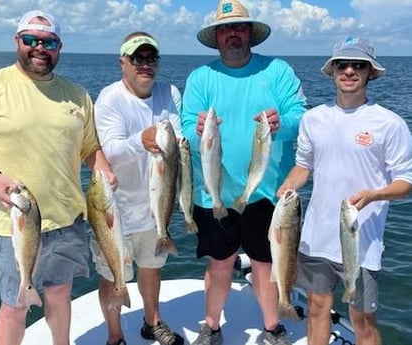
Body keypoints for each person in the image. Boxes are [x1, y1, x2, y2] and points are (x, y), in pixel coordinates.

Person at [0, 10, 116, 345]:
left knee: (59, 294)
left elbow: (90, 149)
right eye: (31, 40)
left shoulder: (77, 95)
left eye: (48, 41)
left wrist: (104, 169)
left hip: (68, 218)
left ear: (59, 47)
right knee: (15, 305)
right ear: (17, 42)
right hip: (16, 222)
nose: (40, 47)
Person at [181, 1, 307, 344]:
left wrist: (285, 121)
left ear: (250, 33)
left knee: (265, 265)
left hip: (269, 193)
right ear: (216, 37)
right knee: (220, 264)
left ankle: (272, 327)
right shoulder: (200, 78)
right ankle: (212, 325)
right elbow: (187, 127)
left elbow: (300, 115)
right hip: (214, 193)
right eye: (225, 29)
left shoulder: (278, 71)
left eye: (239, 28)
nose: (233, 34)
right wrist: (199, 129)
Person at [277, 36, 412, 345]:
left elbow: (406, 183)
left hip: (361, 240)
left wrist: (375, 195)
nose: (349, 71)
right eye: (342, 64)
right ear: (332, 70)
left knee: (362, 322)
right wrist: (288, 184)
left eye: (358, 65)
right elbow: (303, 167)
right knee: (315, 309)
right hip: (315, 237)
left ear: (370, 73)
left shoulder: (389, 123)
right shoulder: (313, 119)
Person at [91, 31, 184, 345]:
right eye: (137, 58)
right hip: (117, 211)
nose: (145, 64)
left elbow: (177, 137)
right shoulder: (109, 98)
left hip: (157, 208)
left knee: (151, 267)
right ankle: (115, 335)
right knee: (112, 275)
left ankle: (152, 321)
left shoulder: (169, 92)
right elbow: (110, 150)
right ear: (123, 63)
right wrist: (139, 142)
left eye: (151, 58)